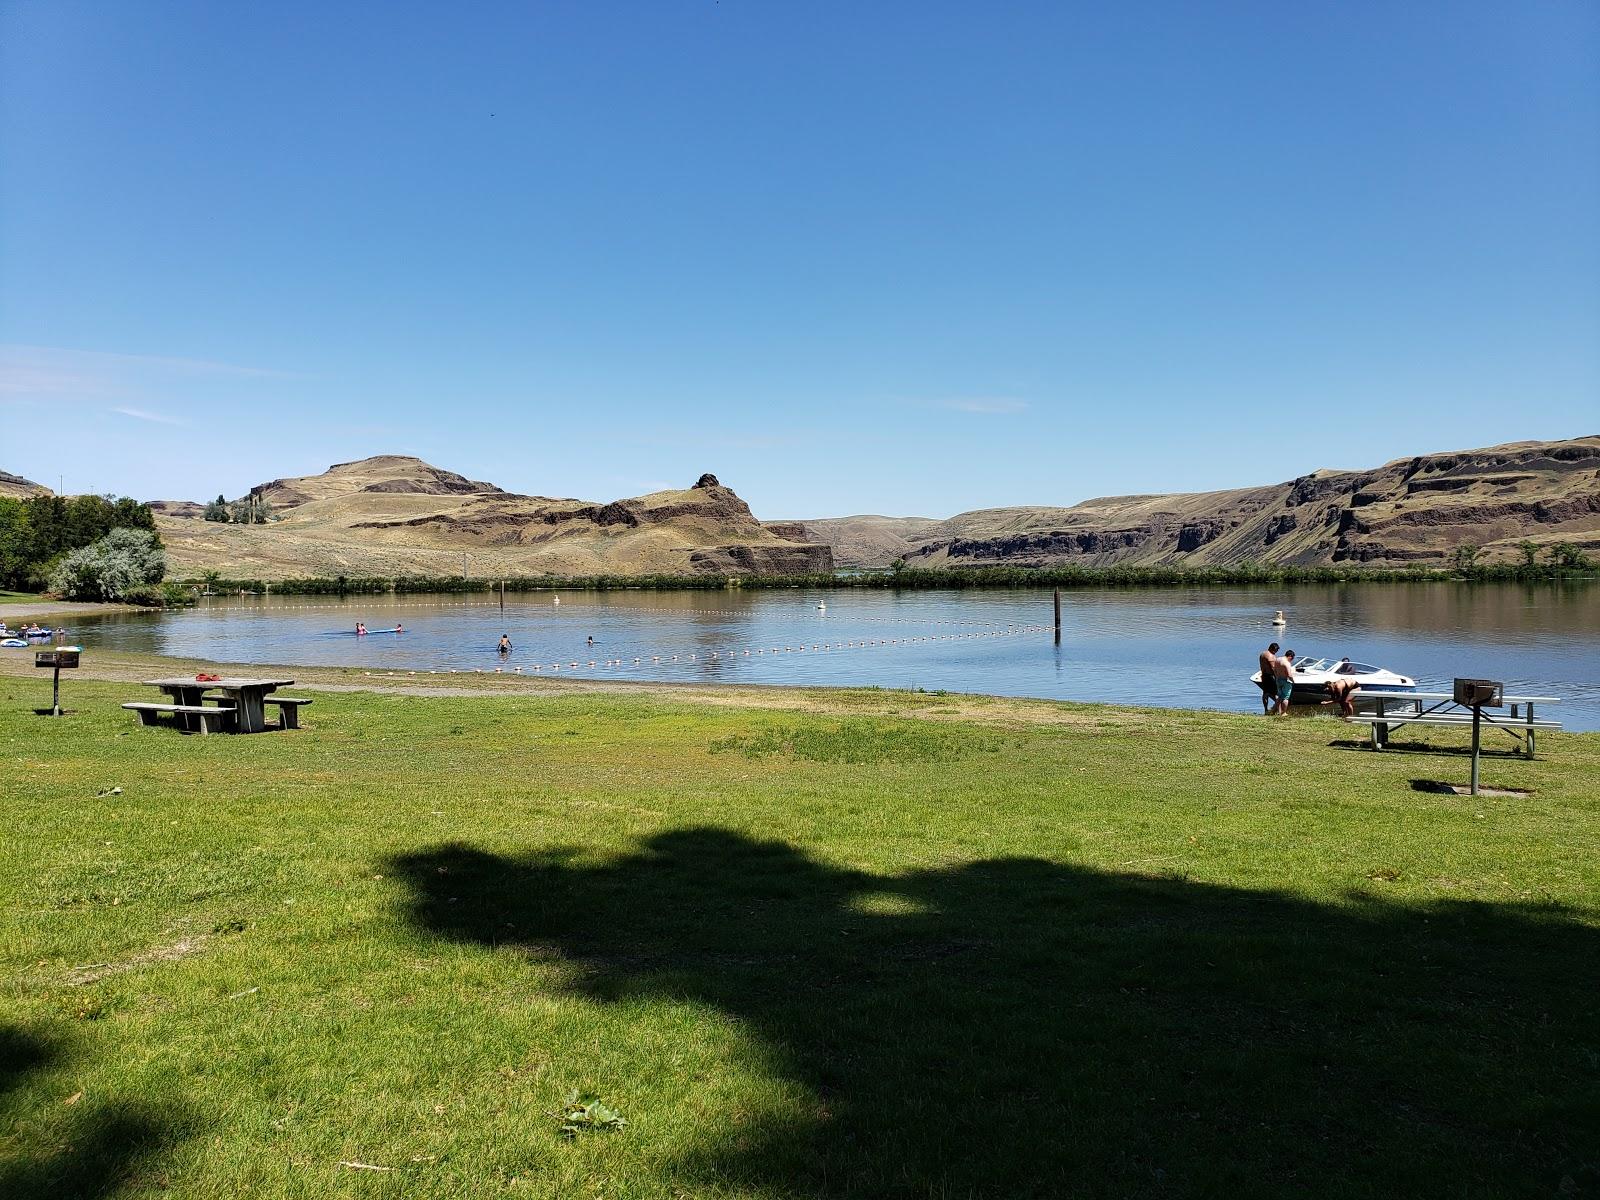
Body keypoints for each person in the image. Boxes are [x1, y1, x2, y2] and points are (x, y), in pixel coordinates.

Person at [1257, 642, 1280, 715]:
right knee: (1276, 694)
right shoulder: (1271, 656)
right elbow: (1273, 668)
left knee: (1265, 693)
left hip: (1264, 675)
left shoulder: (1262, 654)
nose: (1276, 652)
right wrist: (1277, 677)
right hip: (1270, 676)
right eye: (1276, 650)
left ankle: (1266, 709)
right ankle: (1277, 711)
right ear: (1273, 649)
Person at [1272, 649, 1297, 716]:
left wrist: (1277, 676)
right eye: (1292, 659)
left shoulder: (1278, 659)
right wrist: (1293, 681)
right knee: (1286, 697)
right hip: (1286, 681)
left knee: (1279, 696)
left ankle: (1274, 711)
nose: (1291, 660)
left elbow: (1274, 669)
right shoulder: (1287, 663)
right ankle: (1283, 713)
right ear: (1290, 656)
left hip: (1278, 679)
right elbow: (1289, 675)